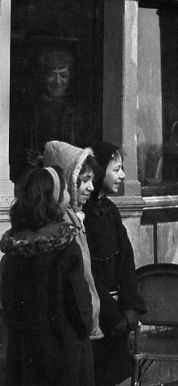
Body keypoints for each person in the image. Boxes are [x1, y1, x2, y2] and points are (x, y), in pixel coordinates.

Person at [0, 165, 95, 385]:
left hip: (23, 356)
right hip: (64, 355)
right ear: (55, 198)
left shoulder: (13, 251)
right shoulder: (65, 248)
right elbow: (80, 309)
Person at [84, 141, 145, 386]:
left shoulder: (109, 209)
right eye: (116, 169)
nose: (122, 175)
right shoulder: (82, 214)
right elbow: (86, 270)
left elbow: (126, 261)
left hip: (117, 315)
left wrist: (130, 306)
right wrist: (112, 314)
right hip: (99, 314)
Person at [42, 140, 104, 343]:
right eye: (84, 180)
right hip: (71, 330)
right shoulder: (64, 223)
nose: (91, 187)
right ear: (69, 179)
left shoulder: (76, 217)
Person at [10, 46, 89, 180]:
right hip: (33, 177)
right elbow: (11, 143)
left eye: (63, 75)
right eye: (52, 75)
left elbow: (85, 147)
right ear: (42, 77)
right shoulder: (27, 108)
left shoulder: (76, 110)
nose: (58, 82)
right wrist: (23, 154)